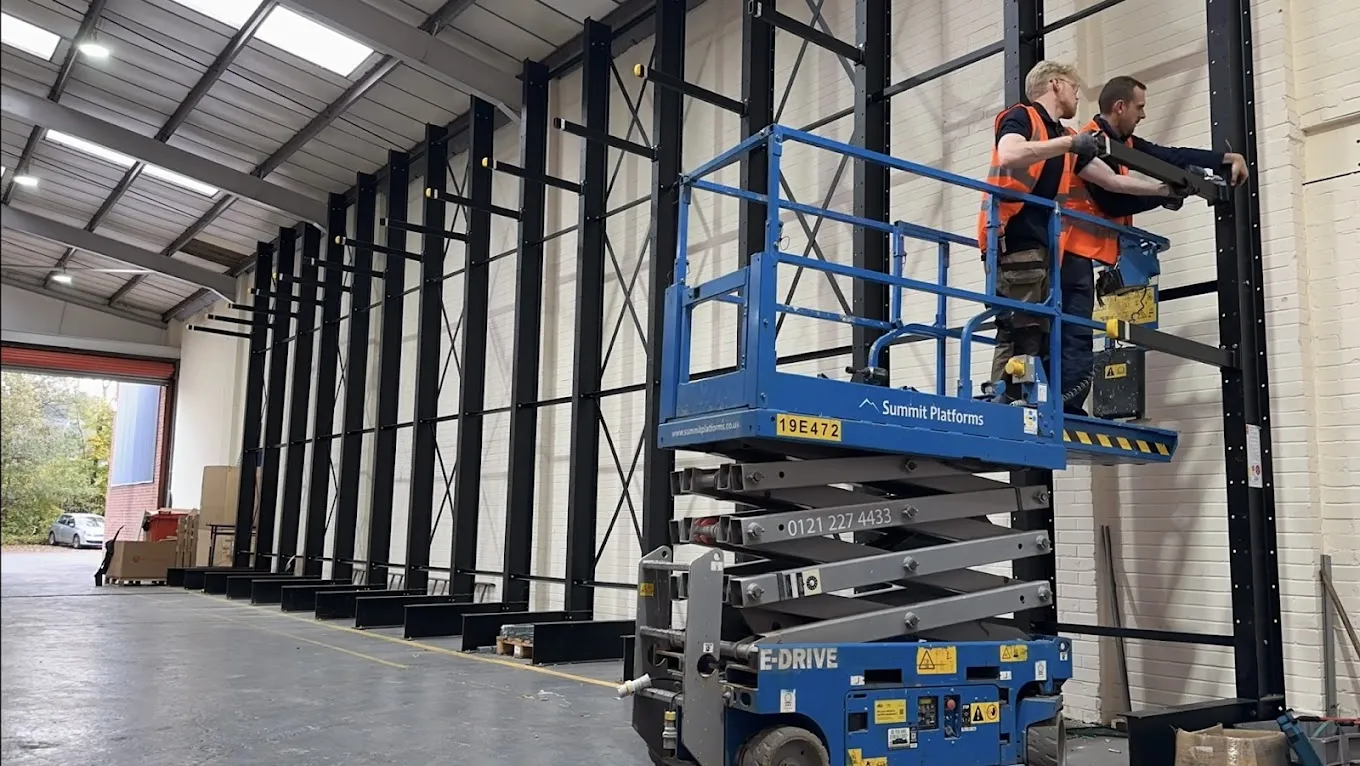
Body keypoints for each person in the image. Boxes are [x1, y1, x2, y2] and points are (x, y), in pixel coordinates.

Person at [976, 61, 1172, 412]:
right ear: (1055, 85)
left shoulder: (1064, 137)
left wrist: (1161, 190)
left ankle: (1036, 400)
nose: (1077, 94)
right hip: (1014, 237)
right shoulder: (1022, 116)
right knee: (1022, 326)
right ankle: (1006, 400)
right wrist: (1068, 144)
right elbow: (1009, 152)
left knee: (1046, 329)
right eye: (1073, 87)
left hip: (1046, 244)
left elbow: (1111, 181)